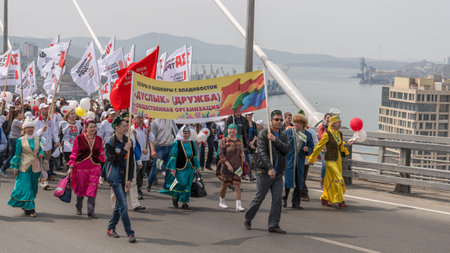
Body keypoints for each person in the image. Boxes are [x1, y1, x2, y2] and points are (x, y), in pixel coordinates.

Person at [243, 110, 290, 234]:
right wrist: (269, 168)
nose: (279, 122)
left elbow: (286, 150)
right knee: (260, 197)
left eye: (280, 119)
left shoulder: (283, 135)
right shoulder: (263, 133)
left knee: (277, 199)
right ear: (271, 120)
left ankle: (273, 224)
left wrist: (275, 140)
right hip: (264, 172)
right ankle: (248, 218)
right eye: (276, 119)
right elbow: (261, 153)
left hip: (278, 173)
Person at [307, 115, 353, 208]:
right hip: (330, 160)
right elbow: (319, 147)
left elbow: (340, 146)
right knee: (339, 178)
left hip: (338, 160)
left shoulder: (339, 134)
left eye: (340, 122)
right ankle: (340, 200)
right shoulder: (327, 134)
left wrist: (347, 144)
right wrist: (311, 159)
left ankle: (324, 197)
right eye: (338, 123)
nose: (340, 124)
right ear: (332, 124)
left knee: (329, 180)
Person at [105, 112, 136, 243]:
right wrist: (124, 149)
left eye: (126, 125)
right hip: (115, 177)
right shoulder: (110, 143)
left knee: (119, 204)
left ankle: (111, 228)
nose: (126, 127)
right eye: (123, 125)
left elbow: (131, 162)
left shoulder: (129, 141)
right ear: (116, 127)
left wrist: (129, 179)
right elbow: (115, 162)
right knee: (123, 205)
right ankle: (130, 233)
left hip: (124, 177)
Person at [67, 118, 105, 218]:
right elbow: (74, 153)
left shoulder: (99, 139)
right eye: (91, 127)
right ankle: (78, 206)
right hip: (81, 167)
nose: (93, 129)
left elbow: (100, 151)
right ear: (86, 128)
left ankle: (91, 211)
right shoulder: (79, 138)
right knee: (81, 188)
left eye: (94, 127)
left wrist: (103, 155)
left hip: (94, 167)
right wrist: (71, 166)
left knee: (92, 188)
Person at [7, 117, 44, 217]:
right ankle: (31, 209)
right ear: (24, 129)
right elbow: (17, 154)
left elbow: (40, 150)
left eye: (32, 127)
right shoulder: (20, 140)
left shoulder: (38, 139)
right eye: (28, 128)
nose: (30, 129)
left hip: (35, 167)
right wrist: (15, 168)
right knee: (26, 188)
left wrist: (41, 153)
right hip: (24, 167)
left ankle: (25, 205)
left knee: (33, 188)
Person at [159, 126, 200, 210]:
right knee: (180, 183)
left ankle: (185, 203)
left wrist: (198, 167)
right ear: (182, 133)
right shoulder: (177, 143)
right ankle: (175, 197)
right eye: (185, 133)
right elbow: (173, 157)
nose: (187, 135)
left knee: (188, 185)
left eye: (188, 133)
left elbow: (195, 156)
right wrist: (173, 169)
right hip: (180, 167)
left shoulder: (192, 143)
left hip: (190, 168)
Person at [283, 114, 314, 209]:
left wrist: (307, 149)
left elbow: (312, 147)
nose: (296, 125)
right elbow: (282, 143)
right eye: (295, 122)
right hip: (289, 160)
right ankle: (284, 199)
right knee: (288, 180)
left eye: (299, 123)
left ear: (303, 124)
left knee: (298, 181)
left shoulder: (307, 134)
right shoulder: (288, 132)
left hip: (300, 162)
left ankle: (296, 203)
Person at [216, 124, 245, 212]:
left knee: (237, 185)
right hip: (226, 167)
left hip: (237, 167)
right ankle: (222, 201)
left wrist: (242, 155)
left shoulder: (239, 141)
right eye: (230, 129)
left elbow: (241, 152)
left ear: (236, 131)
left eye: (234, 129)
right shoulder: (223, 141)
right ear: (227, 130)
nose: (232, 131)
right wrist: (228, 165)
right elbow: (221, 155)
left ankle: (238, 205)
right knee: (225, 184)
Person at [34, 103, 61, 186]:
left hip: (48, 146)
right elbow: (34, 134)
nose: (47, 110)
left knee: (45, 164)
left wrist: (56, 141)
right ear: (41, 110)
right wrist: (41, 130)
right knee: (41, 164)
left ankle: (41, 179)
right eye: (45, 109)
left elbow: (54, 132)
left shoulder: (50, 121)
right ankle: (44, 181)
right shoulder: (36, 121)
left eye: (47, 109)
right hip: (40, 146)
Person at [148, 119, 177, 191]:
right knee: (156, 167)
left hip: (170, 146)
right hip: (159, 147)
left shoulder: (171, 120)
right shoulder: (155, 122)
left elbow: (176, 132)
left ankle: (166, 187)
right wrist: (153, 150)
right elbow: (152, 138)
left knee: (168, 168)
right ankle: (149, 183)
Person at [131, 111, 154, 199]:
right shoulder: (132, 129)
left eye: (142, 118)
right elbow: (132, 143)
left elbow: (152, 139)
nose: (141, 120)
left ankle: (138, 188)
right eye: (139, 118)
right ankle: (136, 190)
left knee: (141, 174)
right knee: (136, 174)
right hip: (136, 156)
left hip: (145, 157)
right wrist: (141, 150)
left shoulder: (145, 128)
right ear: (135, 119)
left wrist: (150, 132)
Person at [0, 109, 23, 177]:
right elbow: (23, 128)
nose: (22, 114)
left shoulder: (17, 121)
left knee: (15, 155)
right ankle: (3, 168)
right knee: (13, 155)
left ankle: (8, 168)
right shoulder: (16, 121)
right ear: (18, 114)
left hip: (16, 139)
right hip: (14, 139)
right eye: (21, 113)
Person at [317, 113, 333, 187]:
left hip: (330, 149)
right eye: (327, 118)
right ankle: (322, 178)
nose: (328, 119)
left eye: (330, 118)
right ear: (324, 118)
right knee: (325, 164)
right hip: (323, 149)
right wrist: (326, 131)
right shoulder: (321, 127)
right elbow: (320, 137)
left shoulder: (332, 127)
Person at [244, 112, 257, 181]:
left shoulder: (254, 123)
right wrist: (249, 143)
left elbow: (256, 134)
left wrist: (252, 142)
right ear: (246, 115)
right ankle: (249, 175)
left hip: (253, 143)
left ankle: (250, 175)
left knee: (254, 160)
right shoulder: (244, 123)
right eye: (249, 114)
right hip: (246, 144)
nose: (251, 116)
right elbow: (244, 134)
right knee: (247, 159)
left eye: (252, 114)